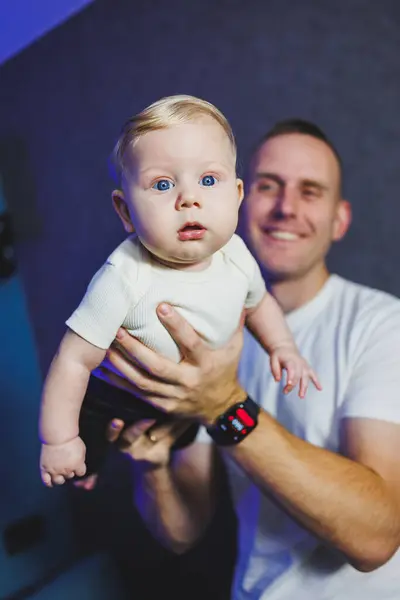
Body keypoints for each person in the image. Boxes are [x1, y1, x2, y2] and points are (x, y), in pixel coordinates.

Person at [98, 119, 400, 600]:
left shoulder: (382, 325)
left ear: (339, 220)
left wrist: (223, 404)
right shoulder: (198, 335)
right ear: (237, 198)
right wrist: (151, 466)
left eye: (310, 191)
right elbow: (181, 533)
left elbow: (377, 536)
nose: (286, 208)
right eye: (268, 186)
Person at [38, 97, 320, 488]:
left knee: (182, 437)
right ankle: (86, 468)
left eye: (208, 180)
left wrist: (283, 348)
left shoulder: (237, 256)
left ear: (237, 195)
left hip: (192, 400)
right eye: (163, 184)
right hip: (118, 395)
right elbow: (72, 361)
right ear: (125, 212)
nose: (189, 199)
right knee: (88, 436)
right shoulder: (123, 276)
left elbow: (259, 304)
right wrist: (58, 439)